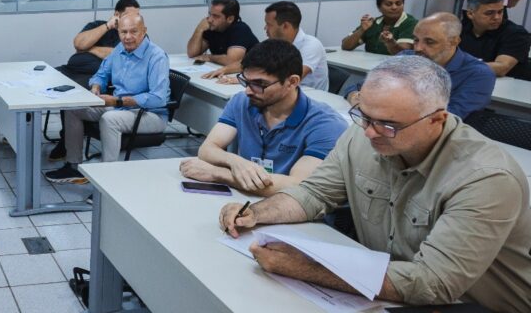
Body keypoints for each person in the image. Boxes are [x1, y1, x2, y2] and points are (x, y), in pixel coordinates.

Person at [220, 56, 531, 311]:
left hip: (471, 304)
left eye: (387, 124)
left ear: (437, 119)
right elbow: (314, 193)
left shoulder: (485, 178)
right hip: (389, 288)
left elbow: (434, 283)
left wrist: (305, 267)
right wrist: (257, 212)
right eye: (364, 116)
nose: (369, 132)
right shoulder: (364, 134)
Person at [180, 40, 346, 196]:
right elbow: (208, 148)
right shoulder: (242, 102)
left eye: (259, 84)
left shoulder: (325, 124)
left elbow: (298, 187)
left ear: (292, 82)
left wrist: (220, 174)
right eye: (246, 81)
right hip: (244, 199)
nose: (248, 91)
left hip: (292, 213)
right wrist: (237, 163)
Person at [44, 11, 170, 184]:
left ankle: (107, 180)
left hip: (150, 114)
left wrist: (118, 101)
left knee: (110, 119)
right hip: (120, 106)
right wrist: (96, 87)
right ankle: (73, 167)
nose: (128, 37)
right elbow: (101, 74)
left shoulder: (157, 56)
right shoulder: (119, 50)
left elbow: (158, 98)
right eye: (123, 32)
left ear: (144, 30)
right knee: (74, 108)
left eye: (133, 31)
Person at [347, 13, 494, 120]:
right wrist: (355, 97)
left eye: (429, 42)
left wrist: (380, 105)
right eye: (416, 40)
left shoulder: (479, 74)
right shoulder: (407, 56)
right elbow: (360, 86)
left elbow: (449, 117)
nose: (418, 48)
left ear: (454, 42)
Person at [48, 0, 141, 162]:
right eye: (127, 16)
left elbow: (120, 55)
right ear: (116, 15)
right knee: (45, 82)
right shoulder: (97, 26)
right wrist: (106, 27)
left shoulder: (134, 35)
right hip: (71, 69)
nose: (131, 21)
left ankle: (66, 141)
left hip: (96, 79)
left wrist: (90, 48)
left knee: (68, 94)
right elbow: (79, 43)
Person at [216, 1, 328, 91]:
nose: (265, 28)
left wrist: (249, 79)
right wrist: (224, 70)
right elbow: (250, 63)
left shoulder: (311, 45)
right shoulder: (275, 43)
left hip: (309, 98)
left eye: (269, 25)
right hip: (280, 94)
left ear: (285, 26)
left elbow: (290, 77)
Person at [461, 0, 531, 79]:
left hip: (508, 88)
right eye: (489, 13)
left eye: (500, 12)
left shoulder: (516, 33)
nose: (497, 17)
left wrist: (459, 66)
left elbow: (501, 68)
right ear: (470, 14)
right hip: (469, 80)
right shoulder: (460, 29)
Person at [187, 0, 260, 79]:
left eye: (216, 16)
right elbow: (192, 53)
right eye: (210, 14)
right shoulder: (212, 26)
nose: (210, 19)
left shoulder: (240, 29)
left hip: (248, 76)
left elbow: (232, 61)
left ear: (230, 19)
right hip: (222, 71)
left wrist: (210, 57)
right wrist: (199, 29)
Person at [340, 0, 418, 55]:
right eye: (388, 4)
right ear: (379, 8)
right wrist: (361, 30)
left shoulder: (411, 23)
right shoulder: (373, 22)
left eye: (398, 3)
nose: (394, 7)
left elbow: (403, 54)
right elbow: (345, 46)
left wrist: (390, 42)